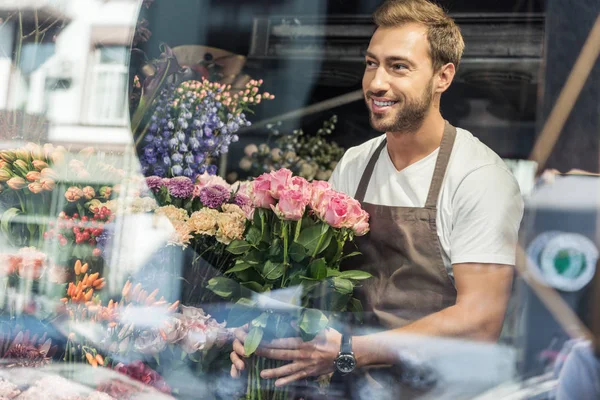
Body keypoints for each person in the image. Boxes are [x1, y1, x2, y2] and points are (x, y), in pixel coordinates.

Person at [229, 0, 524, 394]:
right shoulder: (356, 163)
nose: (376, 83)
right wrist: (264, 331)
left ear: (443, 76)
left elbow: (481, 320)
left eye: (398, 66)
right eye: (371, 63)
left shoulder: (478, 177)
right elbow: (321, 283)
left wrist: (352, 349)